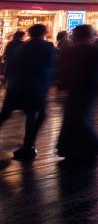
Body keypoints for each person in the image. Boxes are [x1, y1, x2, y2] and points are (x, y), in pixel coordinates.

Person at [55, 25, 98, 161]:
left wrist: (61, 86)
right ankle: (93, 145)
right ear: (89, 36)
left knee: (72, 118)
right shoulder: (92, 50)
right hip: (89, 87)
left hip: (73, 88)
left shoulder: (69, 51)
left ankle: (68, 147)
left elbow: (60, 69)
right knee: (84, 116)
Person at [0, 24, 54, 159]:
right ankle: (28, 145)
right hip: (36, 87)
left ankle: (28, 146)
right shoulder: (47, 47)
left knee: (7, 114)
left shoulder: (22, 46)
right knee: (37, 115)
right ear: (44, 33)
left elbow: (11, 65)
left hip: (17, 85)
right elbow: (51, 67)